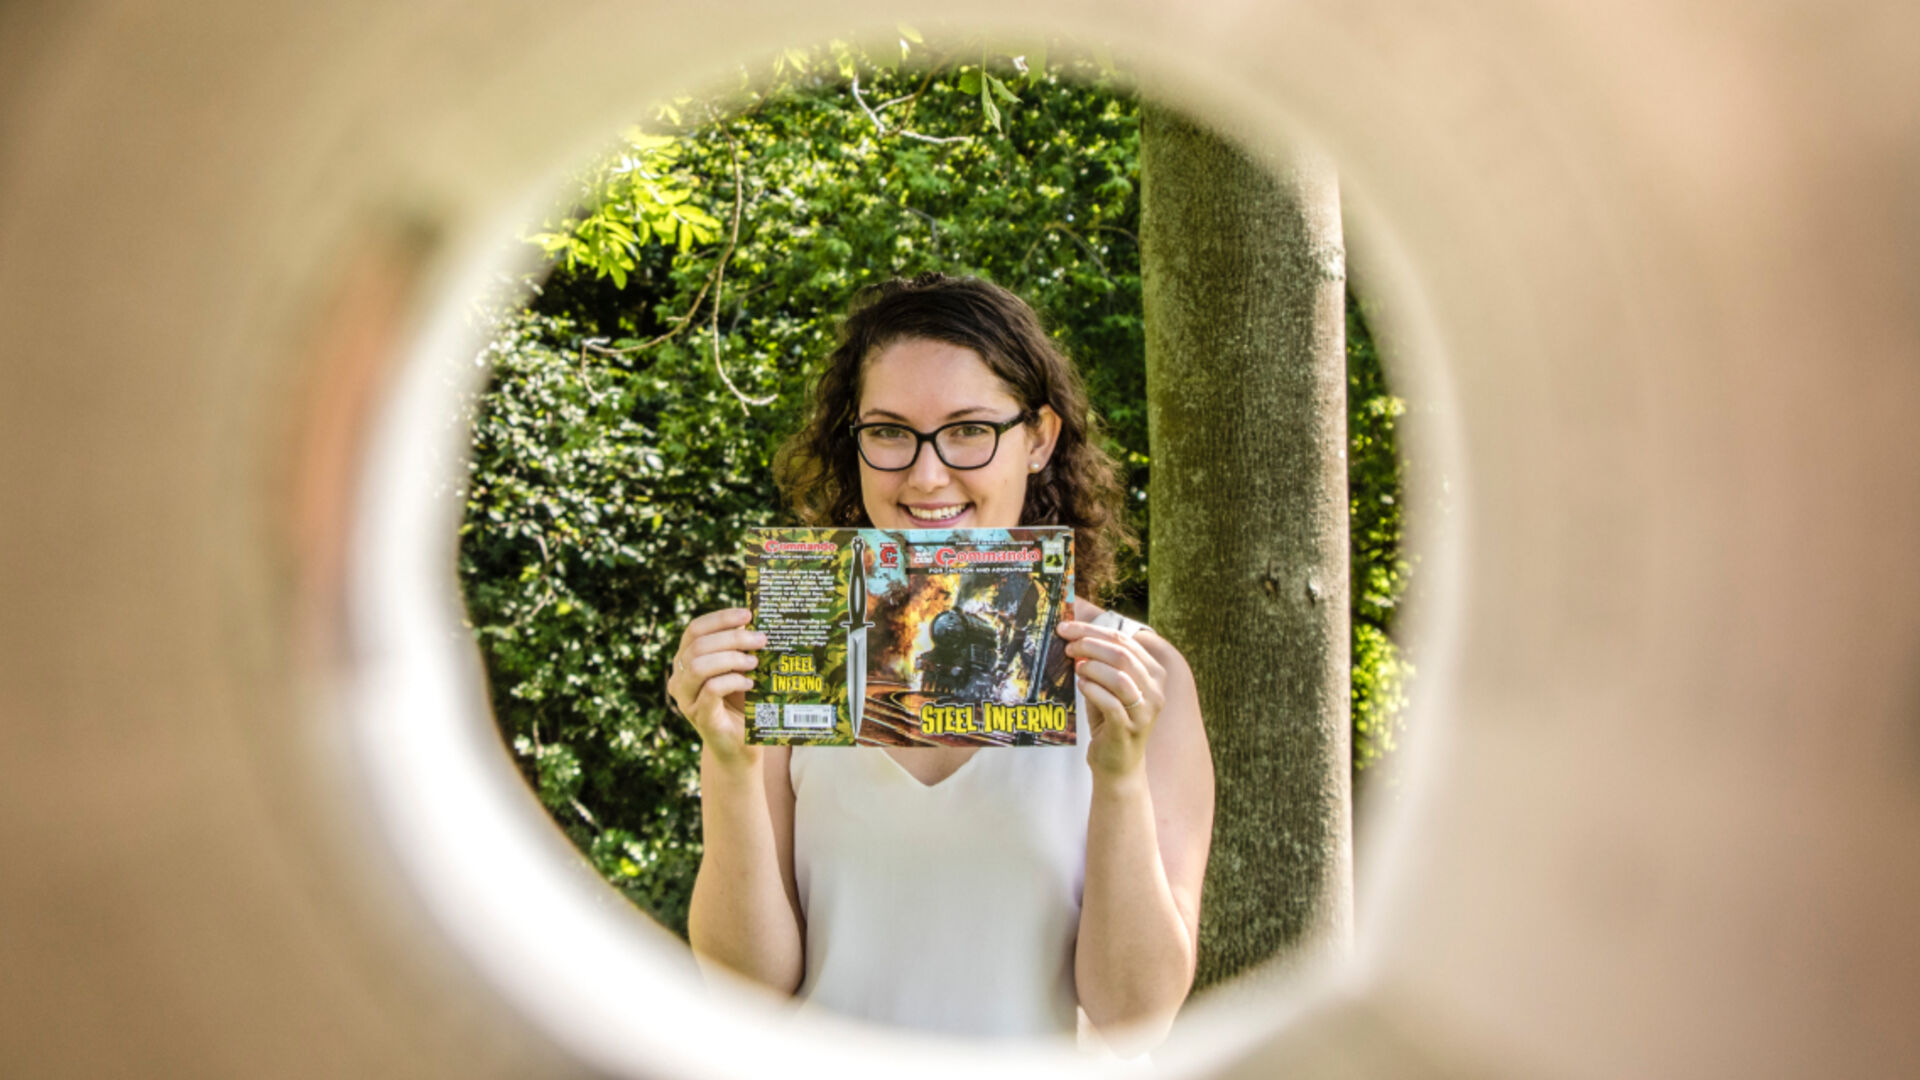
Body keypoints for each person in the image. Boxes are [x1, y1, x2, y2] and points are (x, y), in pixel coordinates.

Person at [665, 273, 1214, 1050]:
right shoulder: (795, 659)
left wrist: (1117, 776)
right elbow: (746, 989)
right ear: (853, 439)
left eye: (967, 430)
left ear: (1039, 439)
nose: (925, 475)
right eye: (890, 432)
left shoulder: (1139, 678)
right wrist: (729, 763)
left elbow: (1135, 1019)